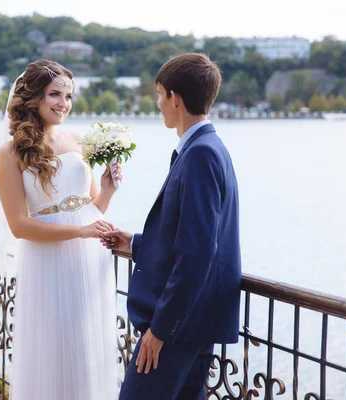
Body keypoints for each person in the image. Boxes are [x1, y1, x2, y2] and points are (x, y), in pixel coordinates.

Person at [102, 53, 241, 399]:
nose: (158, 103)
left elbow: (197, 253)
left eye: (160, 94)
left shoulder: (201, 154)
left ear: (175, 98)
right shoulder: (209, 147)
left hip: (179, 329)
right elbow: (188, 237)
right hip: (195, 323)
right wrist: (134, 243)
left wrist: (161, 331)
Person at [0, 59, 121, 400]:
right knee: (52, 347)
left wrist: (107, 190)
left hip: (90, 260)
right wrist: (79, 232)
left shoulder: (79, 140)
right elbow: (19, 226)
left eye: (68, 96)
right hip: (47, 261)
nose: (63, 103)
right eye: (54, 94)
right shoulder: (10, 154)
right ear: (33, 97)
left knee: (87, 346)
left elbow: (92, 207)